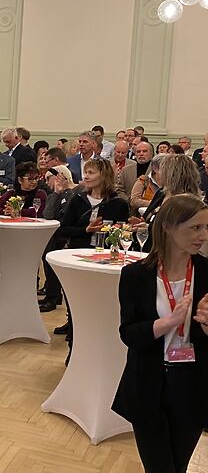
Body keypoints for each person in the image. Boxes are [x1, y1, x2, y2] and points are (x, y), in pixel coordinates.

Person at [112, 194, 208, 473]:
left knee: (178, 466)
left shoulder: (206, 273)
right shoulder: (135, 275)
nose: (203, 236)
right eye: (195, 228)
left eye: (205, 227)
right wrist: (168, 322)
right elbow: (128, 333)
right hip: (148, 384)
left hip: (193, 386)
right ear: (167, 226)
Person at [59, 158, 130, 249]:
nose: (86, 177)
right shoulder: (78, 200)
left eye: (91, 173)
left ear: (104, 176)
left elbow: (124, 234)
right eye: (86, 172)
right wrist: (86, 230)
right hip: (78, 252)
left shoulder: (118, 204)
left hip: (106, 254)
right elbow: (64, 230)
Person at [39, 165, 77, 314]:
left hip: (68, 236)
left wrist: (65, 191)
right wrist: (56, 193)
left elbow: (69, 213)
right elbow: (47, 215)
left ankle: (54, 296)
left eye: (49, 178)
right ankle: (51, 295)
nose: (46, 181)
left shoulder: (75, 192)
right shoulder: (52, 194)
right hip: (55, 235)